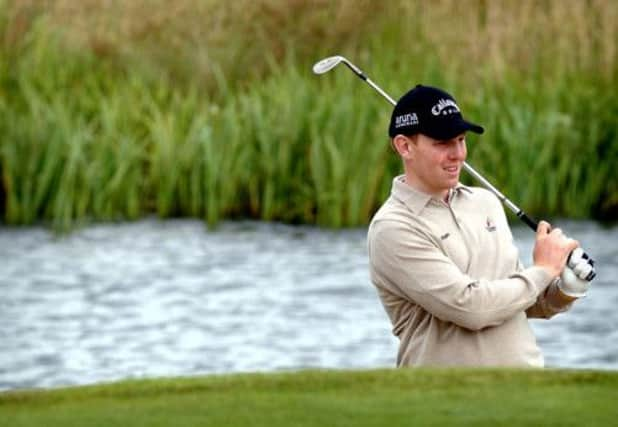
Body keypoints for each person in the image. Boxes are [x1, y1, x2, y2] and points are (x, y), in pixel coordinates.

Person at [367, 84, 594, 367]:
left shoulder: (485, 203)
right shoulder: (392, 228)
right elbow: (471, 308)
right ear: (404, 146)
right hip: (444, 397)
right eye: (443, 143)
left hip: (528, 386)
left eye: (461, 140)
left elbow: (517, 300)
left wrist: (563, 288)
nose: (458, 154)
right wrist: (544, 269)